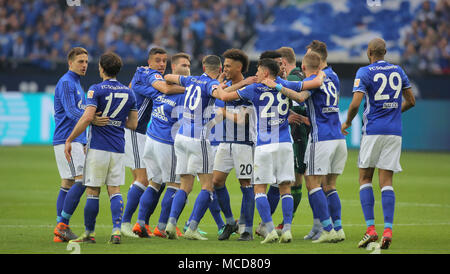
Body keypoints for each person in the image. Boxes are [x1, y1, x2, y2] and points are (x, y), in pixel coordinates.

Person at [215, 57, 325, 244]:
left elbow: (224, 97)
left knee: (259, 188)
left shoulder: (253, 88)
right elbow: (313, 84)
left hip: (264, 145)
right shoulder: (285, 83)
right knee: (285, 187)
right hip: (284, 144)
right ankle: (287, 230)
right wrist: (322, 72)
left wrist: (216, 85)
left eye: (258, 71)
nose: (256, 74)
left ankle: (271, 230)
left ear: (266, 72)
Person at [163, 55, 251, 240]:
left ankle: (171, 224)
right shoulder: (209, 85)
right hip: (198, 139)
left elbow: (168, 78)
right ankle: (192, 228)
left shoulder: (191, 79)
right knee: (208, 186)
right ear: (219, 70)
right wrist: (244, 83)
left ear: (203, 66)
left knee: (185, 186)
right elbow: (222, 95)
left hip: (181, 137)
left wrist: (184, 83)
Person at [341, 38, 416, 250]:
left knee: (365, 177)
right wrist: (393, 112)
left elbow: (356, 103)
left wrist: (347, 121)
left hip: (373, 131)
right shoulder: (398, 71)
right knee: (387, 181)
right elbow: (411, 101)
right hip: (394, 133)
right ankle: (388, 229)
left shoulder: (364, 72)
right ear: (385, 52)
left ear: (369, 52)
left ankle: (371, 229)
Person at [267, 51, 347, 243]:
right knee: (330, 185)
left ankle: (327, 229)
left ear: (303, 68)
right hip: (339, 139)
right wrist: (305, 118)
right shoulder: (331, 79)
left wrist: (276, 84)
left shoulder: (312, 82)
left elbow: (300, 96)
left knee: (312, 183)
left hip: (322, 139)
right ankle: (338, 227)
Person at [65, 51, 138, 244]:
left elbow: (88, 117)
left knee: (93, 191)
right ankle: (116, 231)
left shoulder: (95, 89)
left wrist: (70, 138)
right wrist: (116, 121)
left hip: (98, 147)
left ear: (102, 68)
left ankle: (89, 233)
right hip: (118, 147)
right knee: (114, 189)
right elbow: (133, 125)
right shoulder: (129, 92)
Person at [121, 47, 184, 238]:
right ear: (149, 62)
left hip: (143, 133)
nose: (162, 64)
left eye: (164, 60)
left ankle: (143, 224)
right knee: (143, 179)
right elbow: (165, 89)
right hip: (133, 130)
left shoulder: (145, 75)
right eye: (158, 60)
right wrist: (194, 87)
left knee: (157, 181)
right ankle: (124, 223)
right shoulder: (147, 73)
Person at [53, 47, 108, 242]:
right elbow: (71, 112)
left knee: (68, 183)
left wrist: (84, 140)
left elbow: (78, 112)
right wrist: (92, 119)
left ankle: (61, 229)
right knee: (83, 180)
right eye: (80, 61)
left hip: (73, 139)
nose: (84, 65)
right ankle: (62, 225)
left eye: (86, 62)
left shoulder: (75, 82)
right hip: (67, 139)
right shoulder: (68, 83)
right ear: (70, 63)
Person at [212, 48, 256, 241]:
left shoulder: (249, 89)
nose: (225, 68)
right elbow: (218, 100)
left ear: (239, 67)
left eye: (228, 65)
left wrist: (223, 113)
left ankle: (246, 229)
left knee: (246, 185)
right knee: (216, 182)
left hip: (244, 144)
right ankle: (231, 222)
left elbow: (243, 119)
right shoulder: (227, 87)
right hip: (225, 142)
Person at [274, 46, 310, 237]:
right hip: (300, 135)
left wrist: (291, 115)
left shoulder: (293, 78)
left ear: (284, 62)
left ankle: (286, 223)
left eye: (278, 63)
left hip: (301, 135)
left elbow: (299, 106)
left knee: (297, 181)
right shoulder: (299, 75)